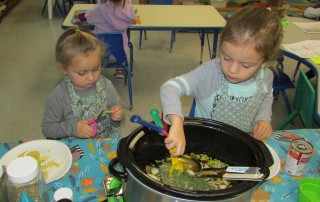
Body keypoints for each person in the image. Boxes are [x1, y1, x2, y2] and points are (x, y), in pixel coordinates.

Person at [160, 6, 284, 156]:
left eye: (245, 65)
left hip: (243, 139)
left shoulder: (266, 76)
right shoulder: (211, 73)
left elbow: (266, 96)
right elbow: (170, 87)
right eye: (226, 58)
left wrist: (263, 119)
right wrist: (177, 122)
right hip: (205, 141)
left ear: (265, 61)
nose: (232, 69)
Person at [42, 27, 124, 139]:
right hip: (76, 149)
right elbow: (48, 129)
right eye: (82, 73)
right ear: (64, 68)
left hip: (106, 142)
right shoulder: (60, 95)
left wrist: (117, 117)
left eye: (96, 69)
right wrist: (73, 128)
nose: (91, 77)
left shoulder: (106, 85)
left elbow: (117, 122)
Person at [85, 0, 136, 79]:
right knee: (120, 41)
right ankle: (120, 67)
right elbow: (133, 18)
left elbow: (88, 17)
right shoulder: (127, 8)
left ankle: (97, 68)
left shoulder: (99, 8)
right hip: (120, 54)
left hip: (100, 53)